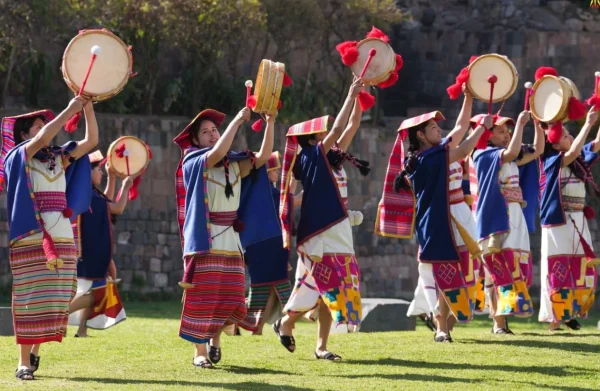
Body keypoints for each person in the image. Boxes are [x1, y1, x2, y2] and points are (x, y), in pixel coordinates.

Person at [174, 107, 280, 369]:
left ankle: (216, 341)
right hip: (205, 239)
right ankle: (199, 352)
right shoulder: (193, 161)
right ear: (196, 140)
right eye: (206, 132)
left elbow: (264, 156)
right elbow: (217, 152)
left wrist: (270, 122)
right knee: (202, 296)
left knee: (228, 295)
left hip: (231, 239)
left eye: (214, 130)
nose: (212, 134)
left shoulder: (234, 162)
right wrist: (238, 121)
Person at [2, 97, 98, 380]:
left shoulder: (57, 156)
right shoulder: (19, 155)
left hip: (63, 235)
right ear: (24, 135)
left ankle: (36, 352)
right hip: (32, 235)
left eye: (44, 125)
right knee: (30, 299)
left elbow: (91, 141)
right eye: (37, 127)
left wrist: (88, 108)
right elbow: (44, 137)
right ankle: (22, 362)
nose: (44, 130)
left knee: (57, 299)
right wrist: (70, 109)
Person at [275, 79, 369, 361]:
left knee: (336, 288)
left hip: (338, 230)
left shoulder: (331, 161)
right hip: (319, 233)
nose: (332, 138)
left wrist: (361, 101)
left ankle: (321, 346)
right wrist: (350, 93)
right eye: (323, 135)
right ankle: (287, 322)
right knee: (318, 286)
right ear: (313, 142)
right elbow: (339, 127)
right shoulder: (310, 158)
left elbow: (350, 126)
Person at [403, 85, 477, 336]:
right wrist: (483, 130)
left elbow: (460, 127)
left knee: (461, 271)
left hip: (458, 217)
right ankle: (440, 324)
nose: (440, 130)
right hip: (437, 222)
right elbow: (465, 149)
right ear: (421, 136)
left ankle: (445, 325)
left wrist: (468, 97)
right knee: (443, 272)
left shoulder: (437, 151)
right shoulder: (426, 159)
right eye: (433, 128)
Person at [471, 110, 543, 334]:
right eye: (501, 131)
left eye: (508, 131)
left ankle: (501, 320)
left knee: (514, 264)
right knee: (497, 267)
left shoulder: (508, 155)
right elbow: (512, 152)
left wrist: (539, 125)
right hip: (495, 217)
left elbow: (538, 150)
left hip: (515, 214)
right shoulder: (482, 154)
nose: (506, 134)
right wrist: (521, 125)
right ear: (487, 135)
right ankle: (499, 322)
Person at [539, 108, 599, 331]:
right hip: (558, 220)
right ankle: (555, 319)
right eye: (564, 135)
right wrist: (587, 124)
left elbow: (596, 143)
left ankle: (571, 311)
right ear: (554, 145)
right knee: (558, 267)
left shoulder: (578, 159)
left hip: (578, 219)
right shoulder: (552, 159)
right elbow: (572, 153)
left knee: (583, 266)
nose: (570, 135)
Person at [68, 151, 136, 337]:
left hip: (89, 248)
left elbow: (105, 201)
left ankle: (82, 330)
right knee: (99, 292)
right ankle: (61, 314)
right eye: (98, 169)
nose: (101, 173)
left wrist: (112, 177)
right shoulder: (89, 195)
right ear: (87, 173)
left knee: (97, 287)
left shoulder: (87, 194)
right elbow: (117, 208)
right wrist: (126, 186)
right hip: (89, 251)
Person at [239, 151, 294, 335]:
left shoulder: (258, 192)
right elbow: (291, 199)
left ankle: (257, 329)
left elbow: (288, 197)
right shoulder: (269, 194)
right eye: (274, 170)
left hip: (263, 247)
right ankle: (232, 318)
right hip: (268, 246)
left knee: (270, 287)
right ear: (266, 170)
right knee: (265, 287)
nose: (277, 174)